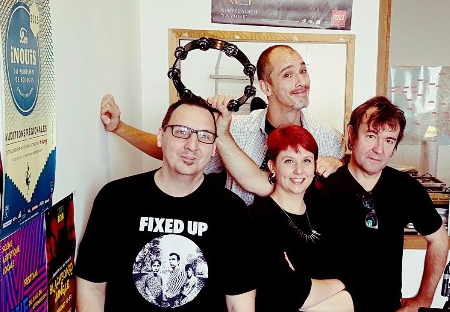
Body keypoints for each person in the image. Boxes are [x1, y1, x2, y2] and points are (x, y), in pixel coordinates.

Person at [76, 96, 257, 312]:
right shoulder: (116, 199)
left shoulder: (232, 212)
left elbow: (240, 307)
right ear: (161, 136)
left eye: (205, 136)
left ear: (214, 148)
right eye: (181, 132)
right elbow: (91, 289)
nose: (192, 145)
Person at [99, 44, 344, 205]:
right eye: (288, 75)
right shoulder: (234, 129)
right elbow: (177, 149)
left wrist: (339, 162)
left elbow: (348, 181)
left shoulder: (329, 138)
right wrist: (120, 128)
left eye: (303, 71)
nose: (301, 82)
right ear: (265, 87)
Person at [318, 96, 449, 312]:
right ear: (352, 135)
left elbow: (439, 239)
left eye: (389, 140)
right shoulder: (323, 187)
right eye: (371, 136)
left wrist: (424, 299)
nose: (379, 149)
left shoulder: (405, 188)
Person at [249, 125, 356, 312]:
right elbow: (281, 295)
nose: (299, 170)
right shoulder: (257, 219)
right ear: (272, 166)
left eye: (306, 161)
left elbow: (362, 294)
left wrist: (300, 294)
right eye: (289, 161)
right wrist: (342, 281)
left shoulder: (327, 213)